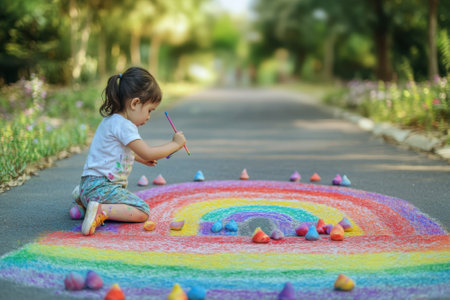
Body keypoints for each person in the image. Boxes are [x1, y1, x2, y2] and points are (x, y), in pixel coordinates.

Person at [76, 66, 186, 236]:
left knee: (107, 196)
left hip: (88, 186)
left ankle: (84, 201)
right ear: (135, 103)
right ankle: (100, 209)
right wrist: (176, 144)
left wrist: (140, 159)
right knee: (141, 210)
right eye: (149, 110)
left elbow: (115, 154)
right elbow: (148, 152)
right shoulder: (125, 126)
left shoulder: (111, 120)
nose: (149, 117)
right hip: (102, 188)